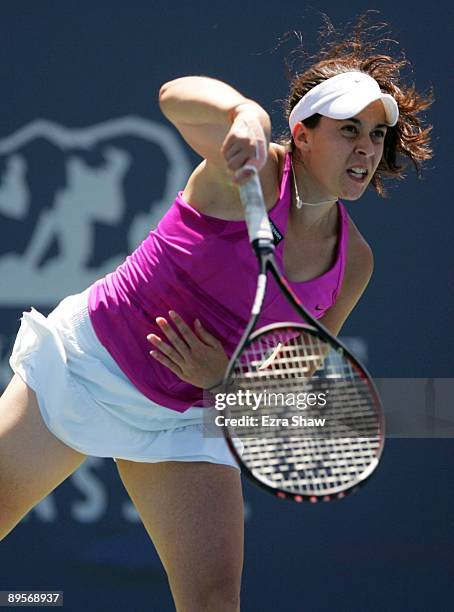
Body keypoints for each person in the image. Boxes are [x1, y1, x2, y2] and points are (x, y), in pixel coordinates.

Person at [0, 17, 432, 612]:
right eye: (348, 129)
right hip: (91, 364)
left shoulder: (353, 260)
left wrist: (223, 382)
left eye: (377, 135)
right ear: (302, 135)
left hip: (188, 417)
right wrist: (243, 113)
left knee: (212, 600)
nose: (366, 147)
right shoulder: (247, 174)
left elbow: (290, 380)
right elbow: (173, 97)